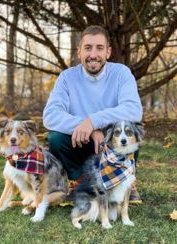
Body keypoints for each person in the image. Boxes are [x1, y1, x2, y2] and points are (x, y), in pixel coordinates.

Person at [43, 25, 143, 202]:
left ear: (108, 52)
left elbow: (133, 110)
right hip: (80, 142)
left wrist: (94, 121)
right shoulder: (67, 78)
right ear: (79, 52)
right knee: (55, 138)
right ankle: (81, 180)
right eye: (88, 48)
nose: (93, 54)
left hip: (111, 144)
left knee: (130, 127)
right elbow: (50, 115)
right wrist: (89, 128)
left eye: (99, 48)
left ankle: (124, 180)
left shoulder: (121, 73)